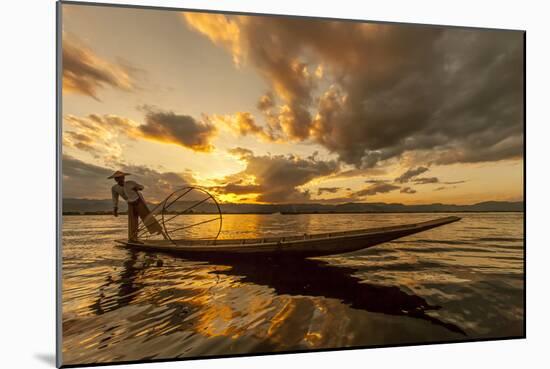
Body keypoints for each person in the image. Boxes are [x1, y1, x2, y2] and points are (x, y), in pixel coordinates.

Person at [108, 171, 163, 242]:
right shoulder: (114, 188)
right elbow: (115, 198)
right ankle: (133, 237)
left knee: (146, 216)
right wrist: (115, 208)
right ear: (115, 179)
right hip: (130, 204)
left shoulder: (130, 183)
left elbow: (141, 187)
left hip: (138, 201)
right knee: (132, 221)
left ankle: (157, 229)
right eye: (117, 178)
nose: (119, 179)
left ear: (123, 177)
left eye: (121, 177)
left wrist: (138, 188)